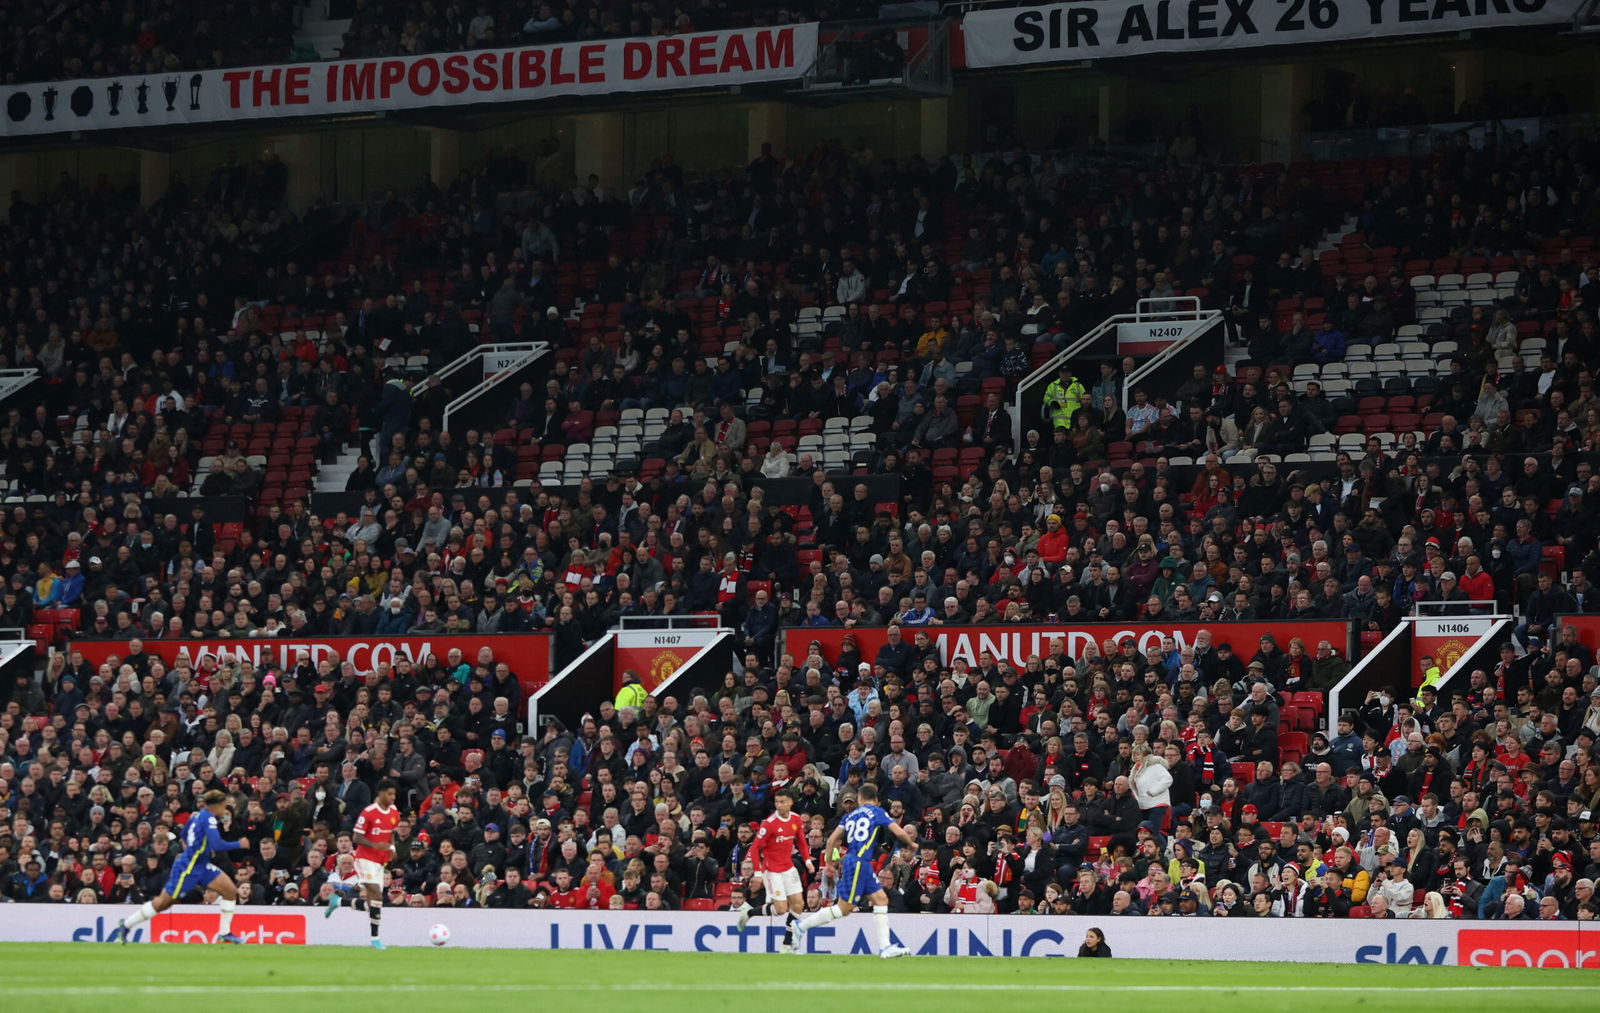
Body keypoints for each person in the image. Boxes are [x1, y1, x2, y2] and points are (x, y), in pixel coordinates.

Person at [793, 782, 917, 958]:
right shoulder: (876, 812)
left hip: (857, 862)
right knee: (844, 908)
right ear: (875, 800)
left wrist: (828, 864)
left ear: (859, 799)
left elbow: (831, 840)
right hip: (859, 862)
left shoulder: (849, 816)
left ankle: (885, 947)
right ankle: (801, 927)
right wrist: (912, 844)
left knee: (881, 900)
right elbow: (899, 831)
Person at [109, 790, 248, 944]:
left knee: (230, 890)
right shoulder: (209, 820)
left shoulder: (196, 815)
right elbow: (217, 844)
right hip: (188, 868)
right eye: (223, 806)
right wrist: (239, 844)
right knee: (163, 903)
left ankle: (224, 933)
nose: (224, 810)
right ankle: (126, 925)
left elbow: (184, 833)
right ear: (217, 806)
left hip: (201, 864)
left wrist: (196, 847)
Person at [735, 788, 815, 950]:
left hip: (788, 868)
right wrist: (757, 872)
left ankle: (786, 944)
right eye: (777, 802)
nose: (779, 805)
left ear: (791, 802)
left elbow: (801, 841)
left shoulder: (796, 819)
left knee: (799, 905)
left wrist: (807, 860)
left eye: (782, 802)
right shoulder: (769, 824)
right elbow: (756, 848)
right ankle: (749, 913)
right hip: (772, 871)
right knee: (781, 909)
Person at [326, 779, 400, 948]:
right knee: (377, 895)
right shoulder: (368, 812)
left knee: (373, 903)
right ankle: (375, 939)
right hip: (364, 859)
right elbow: (356, 837)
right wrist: (375, 845)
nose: (392, 797)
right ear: (380, 794)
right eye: (389, 794)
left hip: (380, 861)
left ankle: (338, 902)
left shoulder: (394, 812)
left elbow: (391, 833)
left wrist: (392, 847)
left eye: (394, 794)